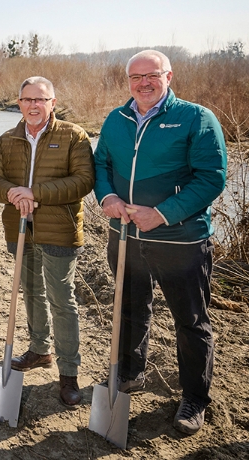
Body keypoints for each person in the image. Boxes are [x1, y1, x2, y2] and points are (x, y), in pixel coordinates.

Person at [93, 49, 226, 434]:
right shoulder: (116, 119)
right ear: (128, 81)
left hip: (180, 240)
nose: (143, 83)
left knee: (191, 321)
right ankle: (131, 373)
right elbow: (101, 163)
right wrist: (109, 198)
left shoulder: (196, 118)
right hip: (125, 235)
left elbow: (212, 176)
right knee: (130, 308)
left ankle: (194, 398)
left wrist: (163, 213)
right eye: (135, 77)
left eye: (152, 75)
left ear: (169, 77)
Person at [0, 76, 94, 406]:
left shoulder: (73, 135)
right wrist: (13, 194)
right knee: (31, 290)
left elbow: (84, 181)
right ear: (18, 103)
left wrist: (37, 193)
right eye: (27, 99)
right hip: (20, 229)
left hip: (59, 230)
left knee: (62, 299)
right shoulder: (8, 139)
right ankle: (39, 350)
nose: (34, 105)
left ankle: (69, 373)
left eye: (40, 99)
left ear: (52, 103)